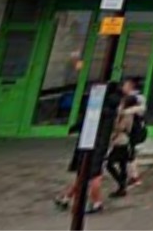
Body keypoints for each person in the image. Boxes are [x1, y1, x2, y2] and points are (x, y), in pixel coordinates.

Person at [54, 81, 123, 215]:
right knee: (86, 174)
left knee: (91, 175)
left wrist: (75, 127)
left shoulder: (96, 109)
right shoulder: (113, 110)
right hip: (100, 144)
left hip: (89, 142)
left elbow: (84, 122)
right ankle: (67, 198)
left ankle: (96, 202)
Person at [121, 77, 147, 188]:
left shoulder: (136, 98)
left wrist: (125, 111)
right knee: (129, 153)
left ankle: (134, 177)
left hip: (133, 129)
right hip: (130, 129)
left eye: (125, 85)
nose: (123, 88)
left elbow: (141, 109)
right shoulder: (128, 98)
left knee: (129, 152)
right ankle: (131, 175)